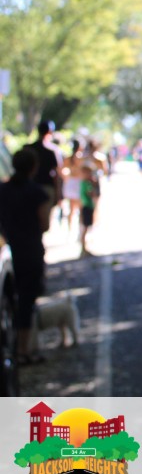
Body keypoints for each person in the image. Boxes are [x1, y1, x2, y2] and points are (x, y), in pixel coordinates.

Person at [0, 149, 50, 365]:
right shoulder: (37, 192)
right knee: (27, 300)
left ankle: (18, 347)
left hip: (9, 247)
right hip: (30, 249)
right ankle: (23, 350)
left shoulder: (3, 190)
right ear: (34, 168)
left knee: (15, 300)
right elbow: (45, 224)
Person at [27, 120, 63, 228]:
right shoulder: (52, 151)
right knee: (43, 223)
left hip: (29, 187)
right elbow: (57, 174)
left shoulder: (28, 148)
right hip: (45, 188)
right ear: (49, 132)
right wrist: (58, 193)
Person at [61, 139, 85, 229]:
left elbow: (61, 169)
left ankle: (70, 229)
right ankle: (79, 229)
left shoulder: (68, 158)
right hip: (78, 183)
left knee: (71, 208)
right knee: (80, 208)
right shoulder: (81, 158)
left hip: (70, 183)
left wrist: (66, 178)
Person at [78, 164, 100, 257]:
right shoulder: (86, 183)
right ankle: (83, 249)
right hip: (86, 207)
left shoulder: (85, 182)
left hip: (88, 206)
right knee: (85, 228)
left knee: (86, 228)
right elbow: (91, 193)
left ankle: (84, 248)